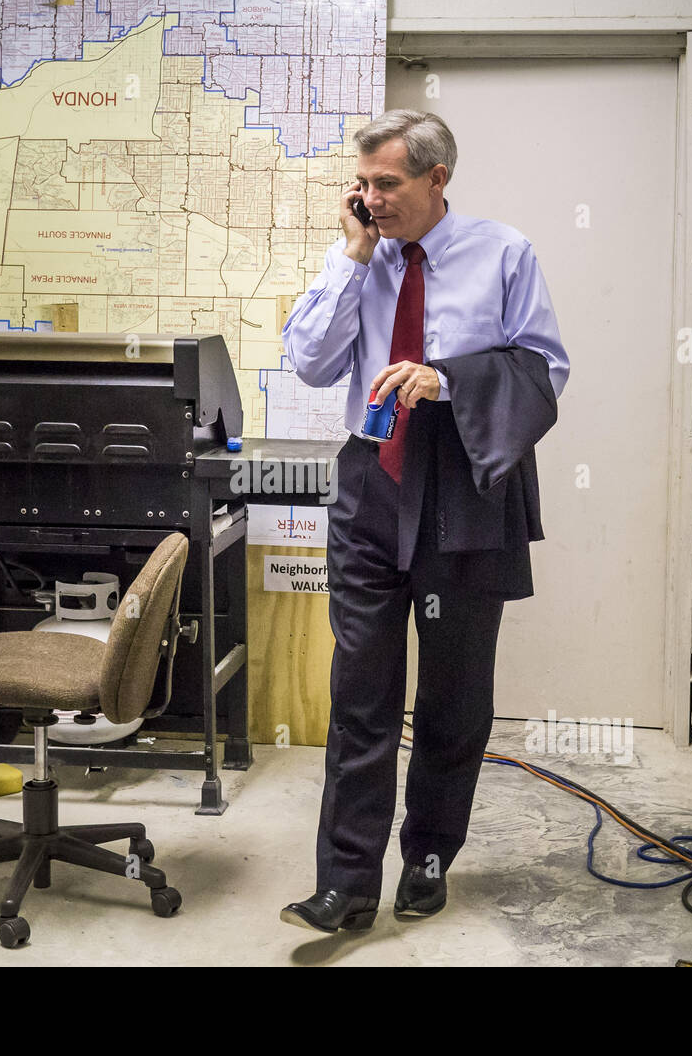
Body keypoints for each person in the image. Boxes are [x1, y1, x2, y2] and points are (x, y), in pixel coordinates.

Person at [278, 109, 569, 933]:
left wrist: (443, 381)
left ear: (438, 179)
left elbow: (544, 366)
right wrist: (352, 255)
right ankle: (344, 884)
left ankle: (429, 858)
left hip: (466, 480)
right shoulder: (363, 255)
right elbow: (309, 359)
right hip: (372, 480)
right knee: (359, 692)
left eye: (388, 184)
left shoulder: (504, 251)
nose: (371, 198)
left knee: (453, 698)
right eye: (362, 183)